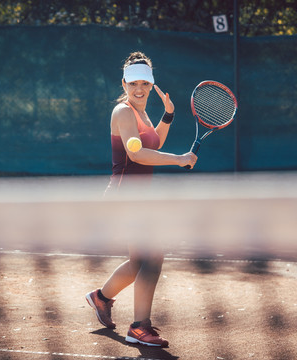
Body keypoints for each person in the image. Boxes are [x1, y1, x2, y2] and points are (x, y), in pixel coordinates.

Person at [85, 52, 197, 348]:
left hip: (139, 198)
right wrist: (179, 160)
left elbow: (154, 143)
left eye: (144, 83)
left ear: (151, 84)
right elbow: (136, 154)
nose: (138, 88)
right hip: (124, 196)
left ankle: (101, 297)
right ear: (124, 83)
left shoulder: (144, 113)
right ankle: (139, 327)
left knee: (140, 262)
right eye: (133, 83)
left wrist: (168, 114)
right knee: (152, 258)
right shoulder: (122, 112)